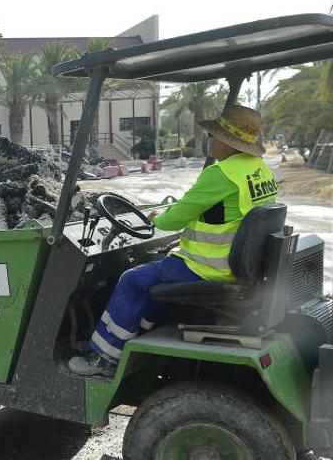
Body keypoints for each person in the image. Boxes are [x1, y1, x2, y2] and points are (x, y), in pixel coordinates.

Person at [68, 105, 278, 377]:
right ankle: (132, 339)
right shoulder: (260, 171)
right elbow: (227, 216)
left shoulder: (221, 174)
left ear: (228, 142)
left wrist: (156, 218)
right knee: (154, 271)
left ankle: (104, 357)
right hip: (235, 264)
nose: (209, 140)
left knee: (132, 280)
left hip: (207, 267)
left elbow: (173, 219)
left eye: (213, 136)